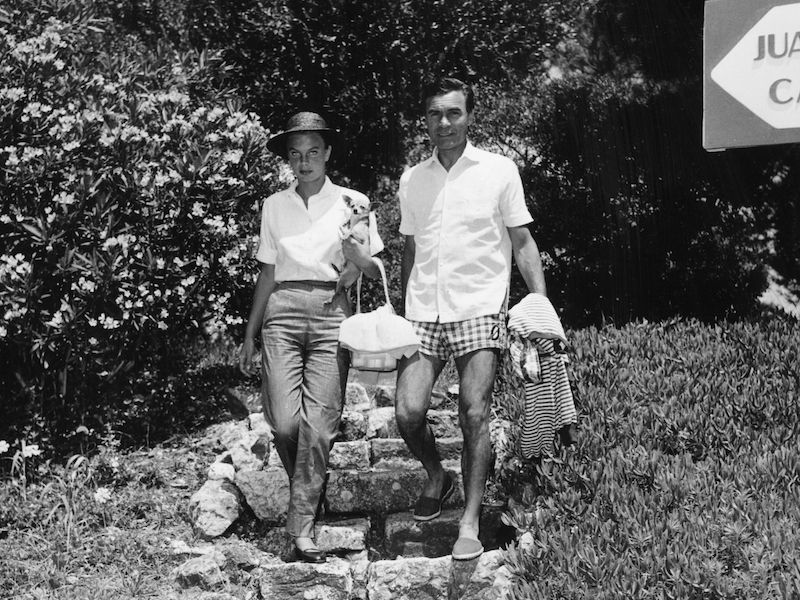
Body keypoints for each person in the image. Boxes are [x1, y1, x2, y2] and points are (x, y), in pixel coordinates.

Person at [395, 77, 547, 561]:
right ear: (426, 119)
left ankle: (468, 521)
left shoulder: (499, 171)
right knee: (407, 412)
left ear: (470, 116)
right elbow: (410, 247)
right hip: (422, 311)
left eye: (454, 113)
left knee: (474, 412)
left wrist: (540, 305)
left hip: (480, 306)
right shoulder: (411, 178)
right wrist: (400, 311)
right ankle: (438, 476)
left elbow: (522, 242)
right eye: (436, 113)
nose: (445, 123)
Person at [239, 111, 383, 563]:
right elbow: (266, 270)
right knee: (284, 423)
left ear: (328, 154)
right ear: (288, 159)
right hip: (281, 312)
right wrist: (249, 335)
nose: (304, 163)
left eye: (313, 153)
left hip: (330, 313)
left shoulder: (353, 202)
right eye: (296, 155)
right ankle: (310, 488)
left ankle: (301, 523)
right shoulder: (274, 205)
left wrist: (354, 259)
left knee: (319, 424)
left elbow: (371, 266)